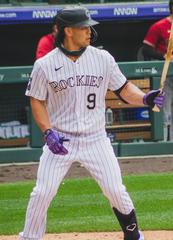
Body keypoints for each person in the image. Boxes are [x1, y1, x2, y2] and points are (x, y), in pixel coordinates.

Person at [19, 6, 165, 240]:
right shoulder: (44, 64)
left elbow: (124, 89)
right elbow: (36, 100)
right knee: (43, 192)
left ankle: (134, 235)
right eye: (84, 27)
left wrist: (145, 98)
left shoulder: (102, 58)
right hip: (61, 139)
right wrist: (48, 133)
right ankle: (29, 237)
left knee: (115, 190)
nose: (90, 31)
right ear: (68, 31)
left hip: (95, 139)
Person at [142, 0, 173, 141]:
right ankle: (164, 143)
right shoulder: (159, 26)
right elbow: (146, 49)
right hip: (166, 74)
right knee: (165, 112)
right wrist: (164, 56)